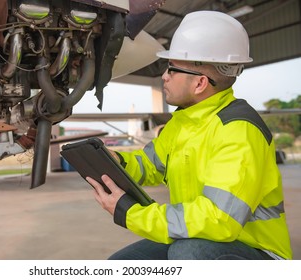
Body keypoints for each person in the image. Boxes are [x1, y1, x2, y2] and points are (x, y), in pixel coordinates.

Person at [86, 10, 293, 260]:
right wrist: (116, 163)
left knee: (189, 254)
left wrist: (131, 213)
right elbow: (149, 165)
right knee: (122, 264)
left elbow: (217, 219)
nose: (164, 76)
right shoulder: (184, 121)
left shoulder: (239, 131)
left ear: (200, 83)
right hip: (203, 237)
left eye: (171, 69)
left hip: (257, 251)